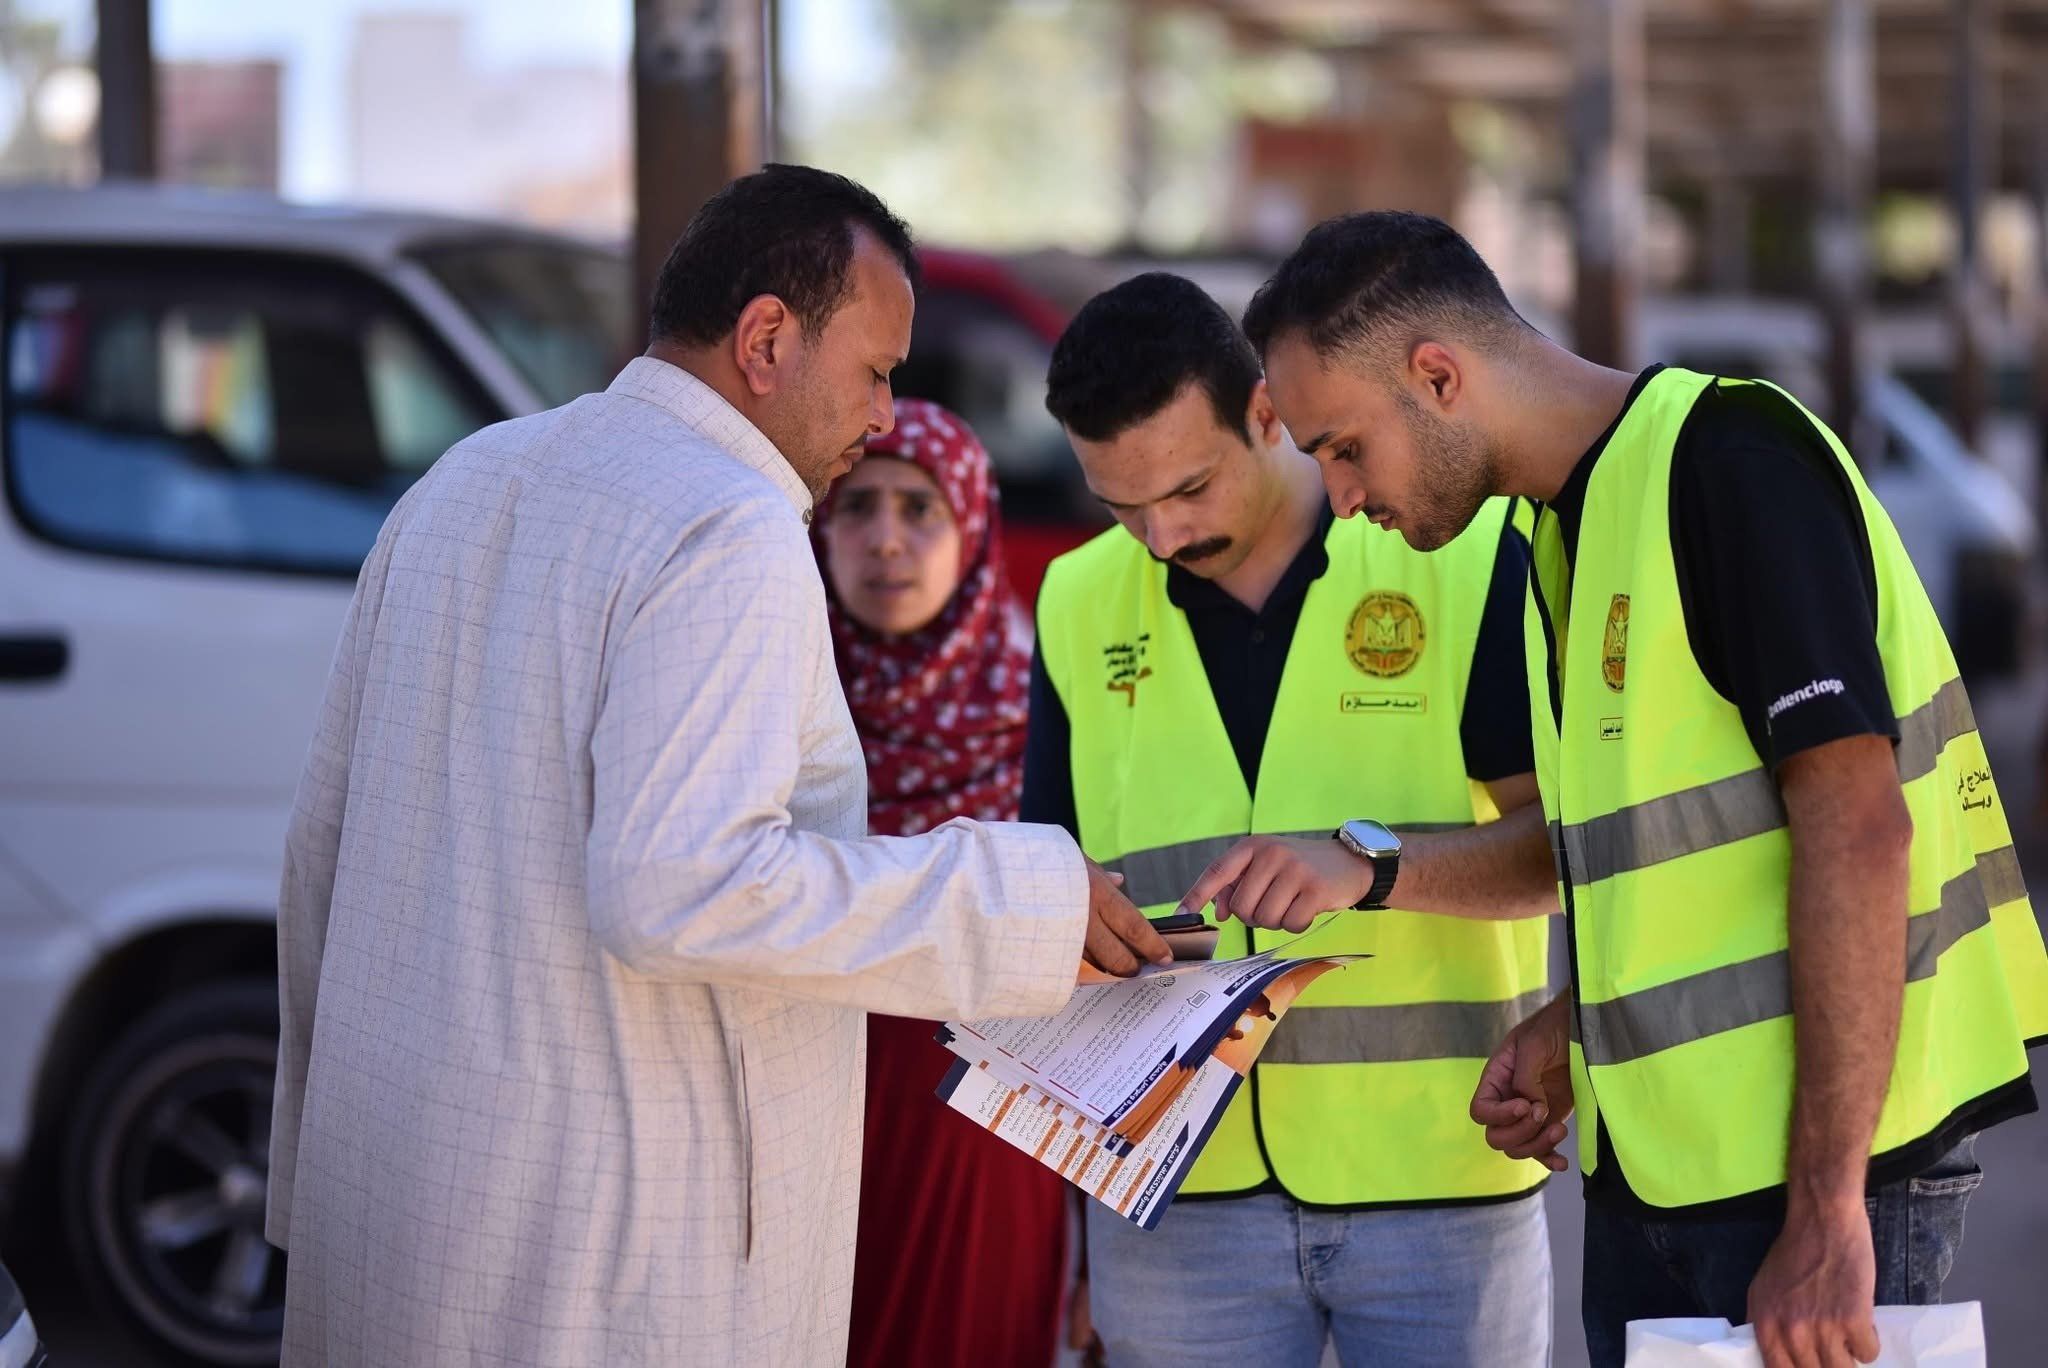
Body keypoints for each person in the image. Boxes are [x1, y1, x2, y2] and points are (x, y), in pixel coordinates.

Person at [265, 164, 1169, 1368]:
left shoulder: (464, 478)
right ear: (764, 340)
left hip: (400, 1210)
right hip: (606, 1247)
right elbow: (681, 887)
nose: (887, 416)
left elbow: (320, 852)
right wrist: (1012, 898)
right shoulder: (728, 525)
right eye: (876, 370)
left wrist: (307, 1184)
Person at [1178, 211, 2048, 1368]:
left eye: (1342, 447)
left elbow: (1855, 824)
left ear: (1437, 376)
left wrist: (1830, 1207)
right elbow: (1637, 852)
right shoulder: (1560, 534)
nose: (1338, 499)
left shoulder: (1725, 462)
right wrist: (1572, 1023)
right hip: (1662, 1176)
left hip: (1822, 1179)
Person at [1026, 272, 1555, 1367]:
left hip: (1438, 1181)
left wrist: (1370, 866)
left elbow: (1560, 855)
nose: (1159, 535)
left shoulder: (1456, 553)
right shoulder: (1076, 600)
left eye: (1186, 488)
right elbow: (1053, 875)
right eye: (1117, 505)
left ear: (1267, 413)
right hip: (1167, 1191)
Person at [810, 397, 1071, 1368]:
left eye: (919, 510)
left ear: (972, 522)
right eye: (856, 507)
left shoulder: (1040, 715)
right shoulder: (775, 711)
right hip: (805, 1120)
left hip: (988, 1136)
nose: (885, 541)